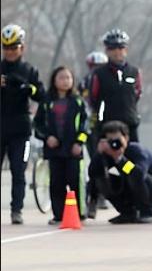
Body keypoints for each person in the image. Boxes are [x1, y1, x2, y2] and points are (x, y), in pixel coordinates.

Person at [1, 24, 46, 225]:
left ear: (22, 48)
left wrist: (27, 88)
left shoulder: (29, 70)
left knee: (19, 170)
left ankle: (16, 210)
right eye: (6, 48)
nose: (10, 52)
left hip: (20, 128)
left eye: (14, 48)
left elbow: (42, 95)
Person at [34, 66, 88, 224]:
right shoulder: (46, 102)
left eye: (68, 78)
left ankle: (80, 213)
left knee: (75, 181)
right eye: (61, 78)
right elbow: (37, 125)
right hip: (54, 150)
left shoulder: (78, 102)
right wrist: (47, 137)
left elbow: (86, 125)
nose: (65, 81)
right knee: (56, 182)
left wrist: (79, 142)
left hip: (73, 150)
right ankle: (58, 214)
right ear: (54, 80)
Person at [88, 120, 152, 224]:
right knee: (101, 179)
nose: (114, 144)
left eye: (117, 140)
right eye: (110, 140)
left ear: (126, 138)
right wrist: (98, 154)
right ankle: (128, 213)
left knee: (134, 175)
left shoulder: (137, 150)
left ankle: (147, 213)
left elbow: (139, 174)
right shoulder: (108, 153)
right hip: (132, 187)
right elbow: (93, 173)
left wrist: (120, 159)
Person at [90, 29, 142, 143]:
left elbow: (137, 94)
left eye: (120, 47)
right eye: (112, 48)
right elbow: (94, 98)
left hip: (130, 123)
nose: (117, 51)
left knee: (133, 157)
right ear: (107, 51)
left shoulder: (134, 72)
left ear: (126, 50)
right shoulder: (99, 73)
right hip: (107, 124)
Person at [82, 51, 109, 218]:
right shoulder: (84, 82)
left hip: (106, 124)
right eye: (94, 66)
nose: (96, 69)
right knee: (95, 161)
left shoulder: (106, 78)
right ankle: (96, 196)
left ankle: (103, 194)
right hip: (90, 126)